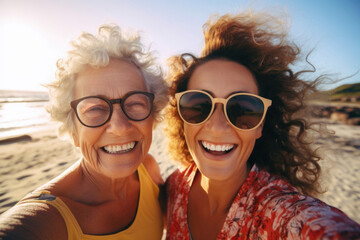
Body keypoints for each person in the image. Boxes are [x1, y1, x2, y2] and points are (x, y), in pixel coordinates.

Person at [164, 11, 360, 239]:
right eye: (199, 105)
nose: (217, 126)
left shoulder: (283, 215)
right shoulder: (173, 187)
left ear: (261, 125)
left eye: (243, 109)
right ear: (180, 115)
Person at [0, 23, 168, 239]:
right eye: (95, 108)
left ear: (152, 116)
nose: (119, 126)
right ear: (73, 131)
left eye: (135, 103)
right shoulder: (45, 219)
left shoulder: (149, 169)